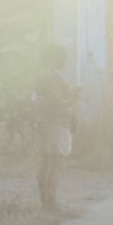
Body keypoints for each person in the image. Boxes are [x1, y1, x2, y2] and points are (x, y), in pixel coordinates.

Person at [34, 44, 78, 212]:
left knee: (45, 163)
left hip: (44, 124)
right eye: (62, 57)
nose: (65, 60)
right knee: (56, 164)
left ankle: (44, 202)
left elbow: (45, 100)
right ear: (56, 58)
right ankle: (51, 203)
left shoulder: (41, 76)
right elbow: (60, 103)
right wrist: (75, 96)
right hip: (58, 125)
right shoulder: (56, 77)